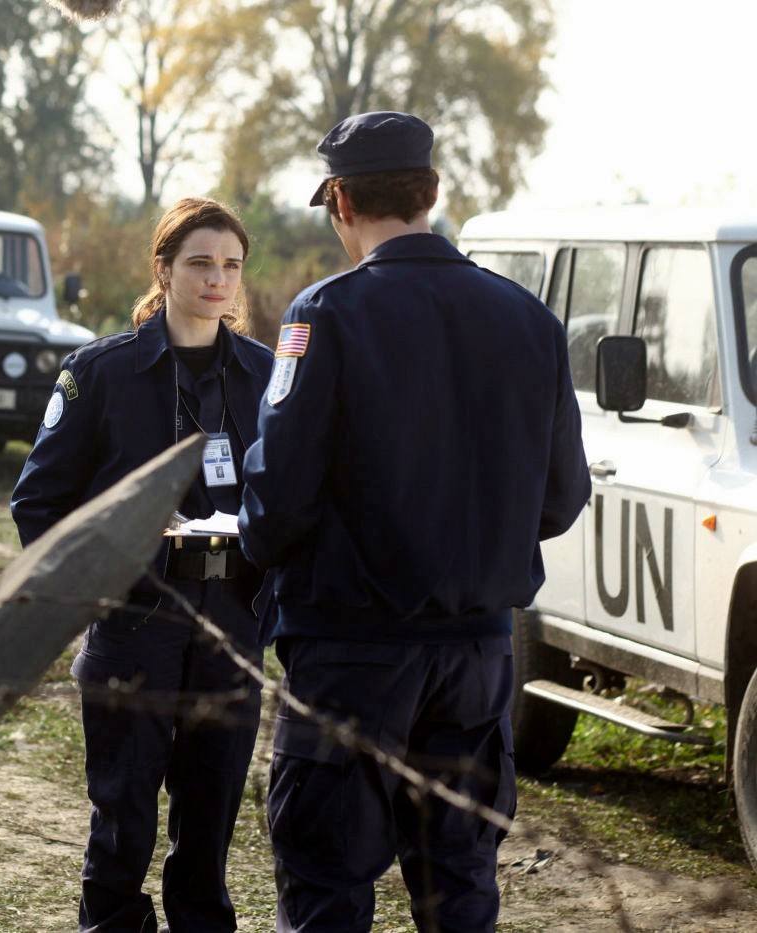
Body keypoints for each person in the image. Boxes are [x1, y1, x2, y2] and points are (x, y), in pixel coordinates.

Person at [238, 112, 591, 932]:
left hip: (350, 649)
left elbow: (278, 495)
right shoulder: (529, 320)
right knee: (460, 883)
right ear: (432, 192)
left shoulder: (323, 314)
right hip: (476, 655)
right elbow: (563, 495)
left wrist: (258, 546)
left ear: (341, 203)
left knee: (327, 880)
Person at [11, 197, 274, 933]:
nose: (217, 279)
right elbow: (38, 502)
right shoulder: (101, 374)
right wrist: (99, 582)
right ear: (163, 268)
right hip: (137, 620)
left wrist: (268, 600)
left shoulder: (265, 375)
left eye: (230, 266)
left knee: (211, 818)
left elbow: (294, 498)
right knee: (123, 817)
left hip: (231, 622)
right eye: (199, 263)